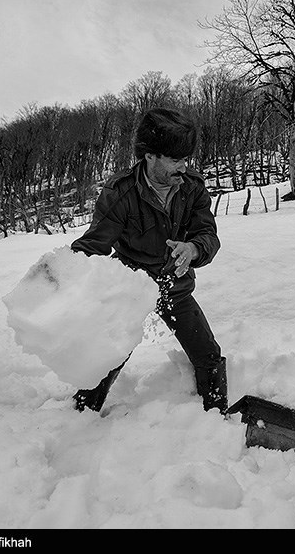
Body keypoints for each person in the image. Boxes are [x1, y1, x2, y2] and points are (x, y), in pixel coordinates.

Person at [69, 107, 226, 415]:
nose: (183, 167)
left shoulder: (191, 186)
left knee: (208, 354)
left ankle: (217, 418)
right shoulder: (121, 192)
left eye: (186, 159)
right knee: (108, 356)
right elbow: (94, 244)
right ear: (150, 155)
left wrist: (193, 249)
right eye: (175, 159)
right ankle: (80, 415)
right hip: (133, 289)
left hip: (175, 287)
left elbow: (208, 234)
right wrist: (63, 270)